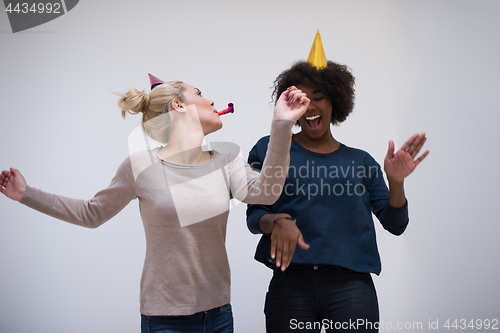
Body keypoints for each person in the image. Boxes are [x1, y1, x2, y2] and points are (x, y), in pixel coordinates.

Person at [0, 74, 309, 333]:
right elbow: (91, 213)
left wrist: (282, 124)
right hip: (163, 319)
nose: (212, 102)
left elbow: (266, 193)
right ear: (179, 105)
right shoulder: (139, 167)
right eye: (200, 94)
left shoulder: (228, 160)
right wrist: (26, 193)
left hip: (218, 315)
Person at [246, 34, 429, 333]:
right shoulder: (271, 149)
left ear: (336, 101)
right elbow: (254, 216)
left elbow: (396, 224)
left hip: (351, 288)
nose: (310, 106)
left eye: (318, 97)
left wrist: (396, 183)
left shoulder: (362, 162)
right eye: (300, 99)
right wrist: (276, 220)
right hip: (290, 284)